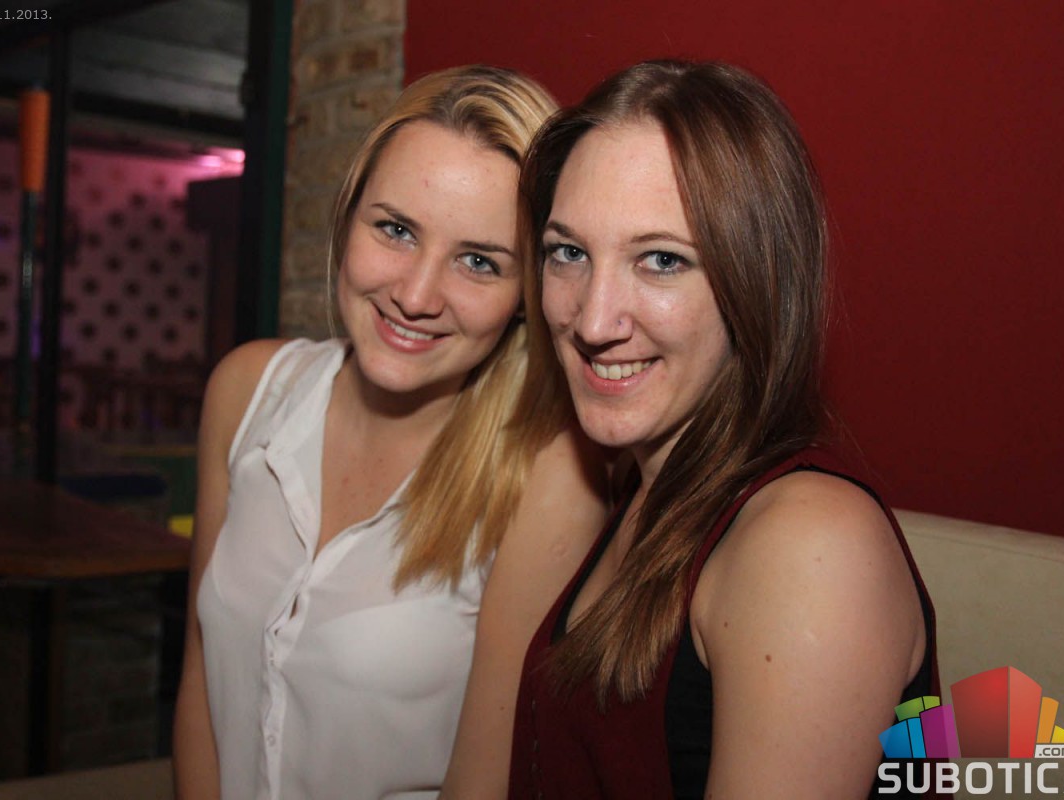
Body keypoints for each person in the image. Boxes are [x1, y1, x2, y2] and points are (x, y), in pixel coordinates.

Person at [503, 60, 939, 799]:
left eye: (661, 260)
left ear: (755, 281)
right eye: (568, 252)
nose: (593, 319)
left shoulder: (810, 547)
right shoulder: (642, 486)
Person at [171, 65, 608, 800]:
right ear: (347, 219)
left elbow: (486, 783)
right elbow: (198, 682)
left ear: (526, 296)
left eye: (479, 261)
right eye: (396, 229)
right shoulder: (247, 389)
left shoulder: (549, 478)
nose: (416, 294)